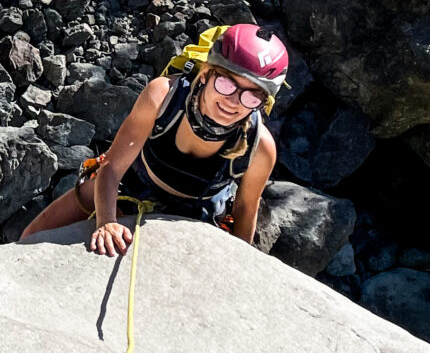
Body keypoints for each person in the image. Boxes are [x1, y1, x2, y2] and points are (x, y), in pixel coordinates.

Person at [21, 24, 288, 256]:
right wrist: (106, 222)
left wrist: (240, 261)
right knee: (30, 237)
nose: (233, 102)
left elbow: (245, 208)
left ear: (263, 102)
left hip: (196, 216)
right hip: (131, 185)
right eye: (226, 84)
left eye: (251, 96)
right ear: (206, 73)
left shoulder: (260, 147)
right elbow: (112, 167)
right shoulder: (163, 97)